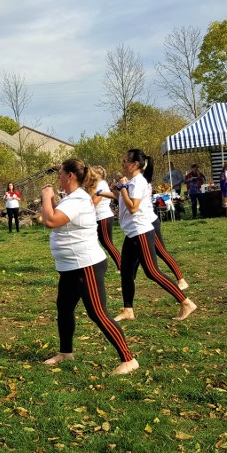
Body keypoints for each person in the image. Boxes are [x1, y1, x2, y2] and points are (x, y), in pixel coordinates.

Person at [39, 159, 138, 375]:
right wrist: (51, 201)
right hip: (70, 267)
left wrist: (46, 197)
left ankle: (128, 359)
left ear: (70, 176)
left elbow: (51, 221)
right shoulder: (71, 199)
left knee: (98, 313)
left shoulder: (78, 198)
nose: (58, 177)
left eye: (61, 174)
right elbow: (57, 217)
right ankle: (66, 352)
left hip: (86, 266)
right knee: (64, 308)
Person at [110, 149, 197, 322]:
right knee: (126, 272)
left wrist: (124, 189)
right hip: (132, 233)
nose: (123, 164)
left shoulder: (137, 182)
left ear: (135, 164)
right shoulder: (133, 181)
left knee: (152, 272)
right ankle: (128, 310)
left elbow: (133, 208)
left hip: (140, 231)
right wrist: (121, 190)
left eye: (125, 161)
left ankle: (186, 302)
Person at [92, 166, 121, 271]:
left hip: (103, 216)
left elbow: (94, 202)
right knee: (103, 242)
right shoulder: (96, 185)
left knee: (107, 243)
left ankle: (121, 266)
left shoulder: (101, 185)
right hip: (98, 217)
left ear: (98, 174)